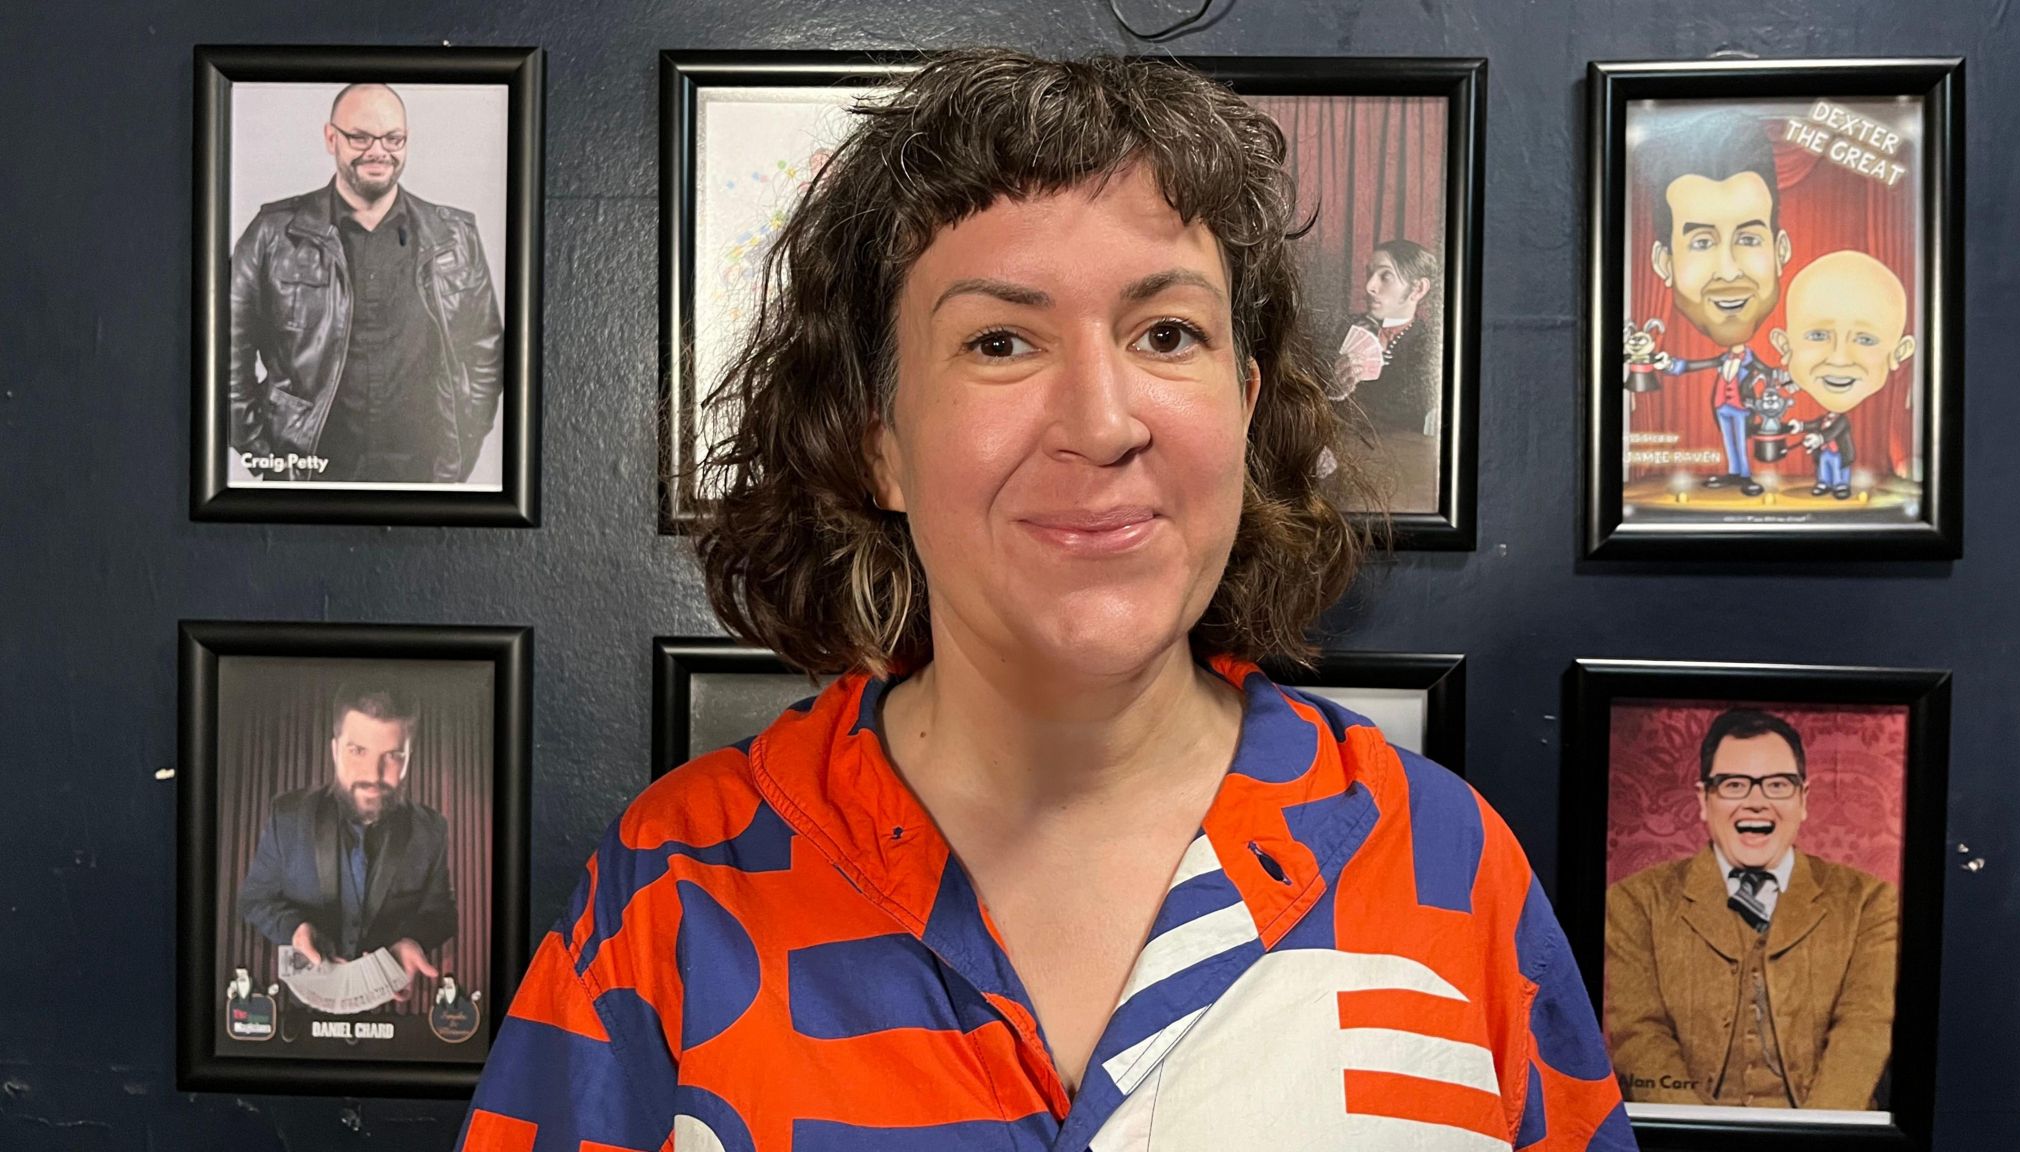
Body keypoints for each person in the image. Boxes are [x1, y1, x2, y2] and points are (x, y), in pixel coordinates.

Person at [461, 49, 1629, 1151]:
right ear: (880, 444)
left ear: (1241, 405)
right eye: (1000, 342)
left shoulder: (1435, 863)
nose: (1101, 422)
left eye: (1166, 333)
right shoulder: (676, 885)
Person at [1605, 710, 1898, 1109]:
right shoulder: (1634, 903)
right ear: (1704, 801)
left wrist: (1817, 1140)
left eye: (1778, 785)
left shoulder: (1869, 902)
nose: (1756, 802)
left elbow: (1863, 1030)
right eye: (1734, 785)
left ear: (1803, 800)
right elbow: (1639, 1035)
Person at [227, 82, 504, 484]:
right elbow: (224, 353)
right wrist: (264, 455)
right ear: (331, 138)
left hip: (422, 476)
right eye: (360, 137)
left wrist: (462, 448)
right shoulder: (272, 234)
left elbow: (485, 352)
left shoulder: (455, 237)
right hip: (310, 475)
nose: (379, 151)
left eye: (393, 138)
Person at [236, 683, 454, 994]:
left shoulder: (432, 829)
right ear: (335, 751)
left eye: (392, 755)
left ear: (409, 758)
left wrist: (413, 940)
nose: (374, 774)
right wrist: (295, 929)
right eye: (358, 751)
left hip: (390, 1005)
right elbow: (255, 900)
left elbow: (440, 913)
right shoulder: (287, 816)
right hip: (302, 1009)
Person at [1631, 110, 1794, 497]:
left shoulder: (1754, 360)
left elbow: (1767, 373)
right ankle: (1738, 472)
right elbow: (1697, 365)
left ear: (1780, 251)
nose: (1729, 271)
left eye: (1750, 239)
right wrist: (1668, 364)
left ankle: (1742, 473)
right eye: (1702, 242)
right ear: (1664, 263)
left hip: (1740, 409)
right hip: (1726, 409)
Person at [1770, 252, 1916, 500]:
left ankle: (1838, 485)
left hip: (1836, 453)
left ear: (1899, 352)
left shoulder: (1839, 422)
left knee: (1837, 471)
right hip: (1824, 453)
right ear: (1784, 346)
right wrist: (1801, 426)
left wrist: (1816, 436)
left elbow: (1831, 429)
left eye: (1865, 339)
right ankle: (1827, 484)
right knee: (1827, 469)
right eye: (1818, 336)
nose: (1839, 359)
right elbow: (1817, 426)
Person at [1335, 239, 1444, 435]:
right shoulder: (1343, 328)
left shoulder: (1429, 346)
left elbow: (1408, 413)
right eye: (1369, 274)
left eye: (1386, 276)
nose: (1370, 286)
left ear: (1418, 289)